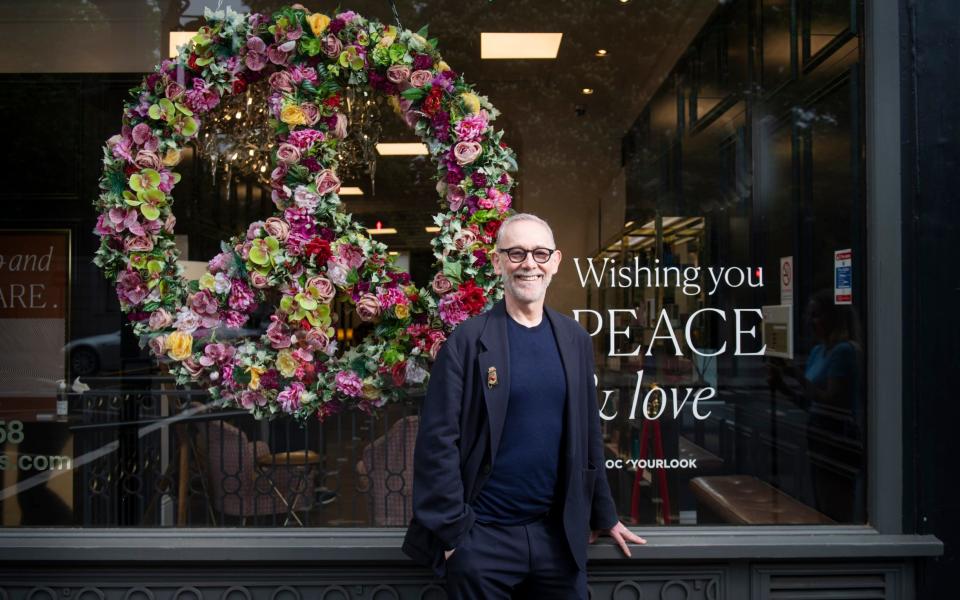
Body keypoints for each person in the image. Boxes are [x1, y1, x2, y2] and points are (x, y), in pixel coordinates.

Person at [402, 213, 646, 599]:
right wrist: (455, 537)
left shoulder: (574, 339)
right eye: (516, 253)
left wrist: (604, 513)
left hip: (557, 538)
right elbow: (437, 445)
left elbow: (587, 437)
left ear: (555, 262)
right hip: (483, 540)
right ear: (498, 262)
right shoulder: (467, 342)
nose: (528, 263)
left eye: (539, 253)